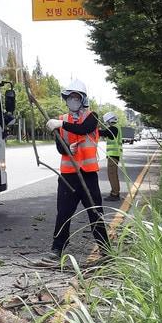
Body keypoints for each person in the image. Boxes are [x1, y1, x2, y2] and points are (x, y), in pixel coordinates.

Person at [41, 79, 109, 266]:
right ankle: (57, 248)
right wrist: (66, 149)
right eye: (70, 97)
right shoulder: (61, 120)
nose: (73, 100)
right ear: (66, 99)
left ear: (83, 99)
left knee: (96, 213)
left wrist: (60, 125)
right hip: (68, 175)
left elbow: (84, 129)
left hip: (88, 175)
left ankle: (106, 249)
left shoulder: (91, 117)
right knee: (63, 213)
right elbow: (59, 147)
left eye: (76, 97)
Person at [103, 112, 124, 202]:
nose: (106, 123)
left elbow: (104, 133)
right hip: (114, 155)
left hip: (113, 155)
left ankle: (115, 194)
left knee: (112, 175)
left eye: (107, 121)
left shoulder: (113, 128)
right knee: (113, 174)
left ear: (109, 120)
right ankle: (115, 192)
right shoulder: (116, 127)